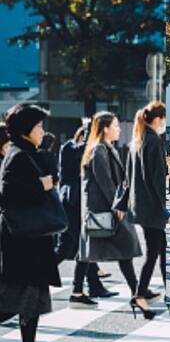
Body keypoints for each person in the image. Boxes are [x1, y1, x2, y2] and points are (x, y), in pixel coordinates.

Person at [0, 104, 61, 342]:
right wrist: (41, 185)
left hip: (31, 237)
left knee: (31, 296)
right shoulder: (18, 156)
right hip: (22, 239)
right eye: (39, 127)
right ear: (26, 129)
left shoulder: (26, 152)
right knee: (16, 297)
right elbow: (9, 195)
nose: (42, 131)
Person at [78, 112, 142, 308]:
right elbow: (105, 182)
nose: (119, 129)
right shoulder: (99, 150)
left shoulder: (105, 148)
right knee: (120, 248)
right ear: (105, 128)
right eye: (115, 126)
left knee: (93, 252)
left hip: (104, 209)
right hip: (104, 210)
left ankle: (136, 292)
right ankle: (137, 292)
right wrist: (118, 205)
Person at [117, 101, 170, 319]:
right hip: (152, 206)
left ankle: (147, 292)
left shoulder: (137, 141)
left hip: (140, 205)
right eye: (164, 119)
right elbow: (157, 179)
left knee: (159, 248)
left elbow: (127, 179)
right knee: (154, 252)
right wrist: (164, 209)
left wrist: (123, 205)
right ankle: (140, 294)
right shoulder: (154, 141)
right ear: (158, 119)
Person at [56, 122, 113, 301]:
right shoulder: (69, 149)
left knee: (66, 248)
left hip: (80, 205)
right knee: (86, 246)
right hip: (71, 205)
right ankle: (82, 289)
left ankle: (34, 278)